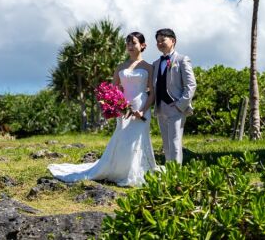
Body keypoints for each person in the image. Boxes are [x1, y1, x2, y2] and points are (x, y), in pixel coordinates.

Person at [47, 32, 158, 187]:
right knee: (123, 137)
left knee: (138, 138)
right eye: (128, 43)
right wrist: (117, 105)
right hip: (124, 107)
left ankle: (136, 171)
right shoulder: (120, 67)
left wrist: (143, 109)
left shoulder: (148, 67)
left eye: (133, 43)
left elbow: (152, 92)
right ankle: (119, 170)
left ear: (143, 45)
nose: (130, 46)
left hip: (141, 105)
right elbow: (113, 90)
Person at [152, 28, 197, 164]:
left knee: (175, 142)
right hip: (160, 108)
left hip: (176, 107)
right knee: (166, 144)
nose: (160, 43)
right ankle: (169, 172)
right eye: (158, 41)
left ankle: (176, 175)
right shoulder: (155, 63)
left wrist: (180, 105)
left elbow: (191, 85)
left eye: (163, 40)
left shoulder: (182, 59)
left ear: (173, 41)